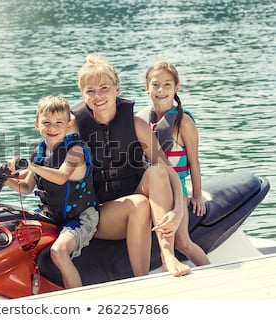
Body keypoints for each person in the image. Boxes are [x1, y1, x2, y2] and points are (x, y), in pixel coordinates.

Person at [71, 54, 191, 277]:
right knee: (139, 204)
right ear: (83, 94)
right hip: (98, 215)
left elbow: (169, 172)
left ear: (117, 88)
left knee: (156, 172)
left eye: (104, 88)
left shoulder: (136, 125)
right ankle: (141, 279)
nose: (98, 96)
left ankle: (168, 255)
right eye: (90, 91)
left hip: (137, 200)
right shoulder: (75, 128)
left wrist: (177, 210)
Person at [4, 95, 99, 288]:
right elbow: (26, 187)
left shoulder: (76, 151)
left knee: (58, 251)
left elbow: (62, 176)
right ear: (36, 124)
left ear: (69, 124)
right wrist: (4, 180)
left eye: (58, 123)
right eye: (46, 123)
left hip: (82, 217)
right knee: (13, 238)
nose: (52, 128)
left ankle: (78, 301)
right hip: (51, 217)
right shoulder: (39, 153)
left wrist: (30, 166)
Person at [137, 61, 210, 266]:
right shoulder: (141, 119)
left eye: (167, 85)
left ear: (176, 88)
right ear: (147, 87)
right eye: (155, 84)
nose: (161, 90)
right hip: (152, 186)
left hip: (176, 186)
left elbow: (194, 162)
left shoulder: (183, 121)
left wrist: (197, 196)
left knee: (182, 241)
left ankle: (211, 271)